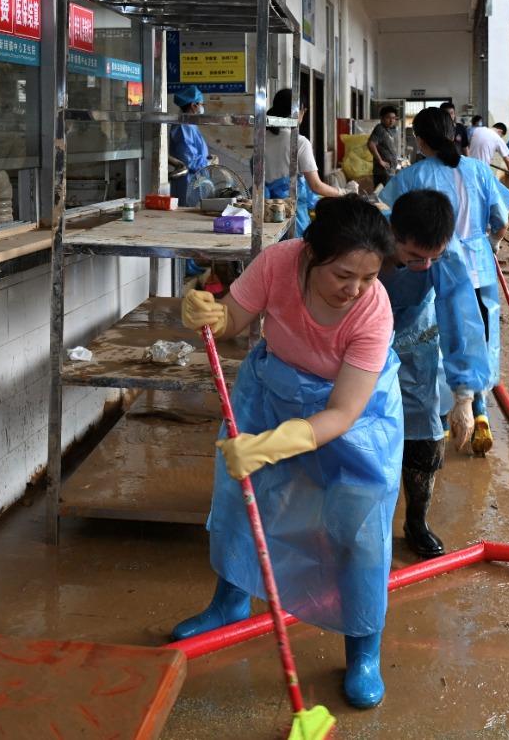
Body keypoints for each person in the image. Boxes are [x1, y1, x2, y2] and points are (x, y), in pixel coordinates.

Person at [174, 196, 402, 709]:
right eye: (344, 274)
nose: (356, 289)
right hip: (273, 388)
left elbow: (343, 414)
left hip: (355, 414)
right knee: (243, 500)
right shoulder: (279, 262)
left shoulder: (374, 309)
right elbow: (234, 318)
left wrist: (274, 445)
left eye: (368, 276)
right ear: (311, 253)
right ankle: (230, 603)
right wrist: (210, 311)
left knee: (357, 527)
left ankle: (364, 648)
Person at [381, 107, 509, 457]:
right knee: (476, 336)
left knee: (425, 338)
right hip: (477, 265)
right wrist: (493, 247)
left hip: (425, 264)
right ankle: (477, 409)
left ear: (420, 140)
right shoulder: (479, 172)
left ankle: (433, 413)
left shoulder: (411, 177)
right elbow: (501, 221)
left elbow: (387, 221)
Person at [381, 189, 484, 559]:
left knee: (424, 437)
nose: (425, 265)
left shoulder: (446, 257)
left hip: (414, 343)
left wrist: (464, 396)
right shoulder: (365, 240)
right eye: (413, 257)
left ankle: (416, 521)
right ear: (392, 233)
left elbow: (461, 321)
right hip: (357, 339)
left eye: (432, 257)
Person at [263, 87, 342, 235]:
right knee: (293, 253)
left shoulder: (261, 139)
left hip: (266, 214)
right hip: (293, 217)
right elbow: (316, 186)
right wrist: (343, 193)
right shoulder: (299, 142)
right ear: (298, 111)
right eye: (304, 110)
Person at [168, 86, 213, 208]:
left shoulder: (190, 125)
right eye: (201, 104)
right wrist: (208, 163)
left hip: (196, 180)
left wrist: (208, 158)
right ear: (194, 105)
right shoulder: (183, 127)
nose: (202, 107)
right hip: (187, 182)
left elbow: (196, 152)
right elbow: (189, 160)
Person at [367, 105, 401, 190]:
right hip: (382, 172)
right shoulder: (380, 128)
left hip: (389, 171)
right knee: (382, 197)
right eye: (388, 118)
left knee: (387, 196)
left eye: (393, 118)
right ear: (382, 118)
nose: (391, 120)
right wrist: (380, 160)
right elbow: (371, 144)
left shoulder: (388, 130)